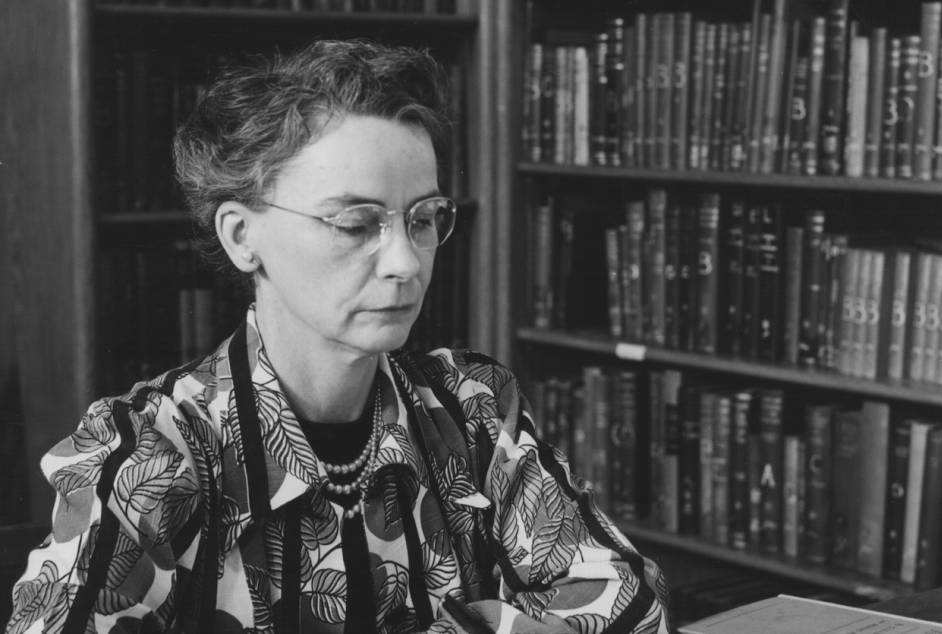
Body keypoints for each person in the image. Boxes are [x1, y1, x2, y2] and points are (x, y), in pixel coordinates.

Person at [6, 39, 669, 633]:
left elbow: (632, 607)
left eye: (424, 218)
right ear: (242, 237)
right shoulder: (148, 458)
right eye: (355, 224)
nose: (407, 262)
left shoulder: (471, 408)